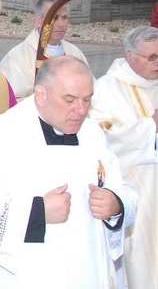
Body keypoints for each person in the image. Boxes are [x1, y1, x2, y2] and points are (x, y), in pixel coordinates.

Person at [0, 56, 136, 289]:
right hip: (20, 277)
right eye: (69, 100)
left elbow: (121, 187)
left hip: (84, 271)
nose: (80, 110)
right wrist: (36, 212)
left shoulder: (92, 134)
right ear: (40, 94)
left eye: (87, 100)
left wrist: (116, 204)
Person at [89, 25, 158, 288]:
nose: (157, 62)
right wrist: (149, 126)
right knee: (141, 266)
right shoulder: (107, 88)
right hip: (136, 194)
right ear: (130, 56)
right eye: (151, 57)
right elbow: (102, 136)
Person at [0, 0, 89, 100]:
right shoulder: (17, 58)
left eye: (64, 17)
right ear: (38, 21)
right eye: (54, 18)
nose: (61, 24)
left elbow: (90, 92)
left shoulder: (74, 53)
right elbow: (10, 101)